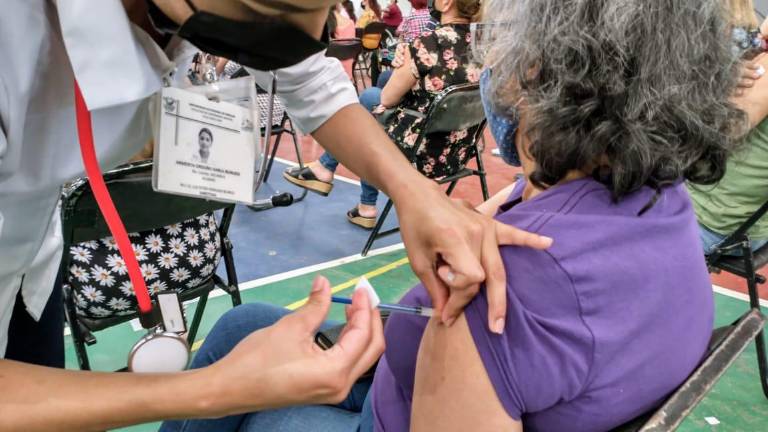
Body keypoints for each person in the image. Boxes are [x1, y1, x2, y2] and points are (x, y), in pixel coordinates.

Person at [0, 0, 549, 429]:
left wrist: (414, 192)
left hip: (33, 263)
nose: (304, 28)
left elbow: (308, 77)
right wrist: (216, 390)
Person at [285, 0, 483, 228]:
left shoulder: (430, 42)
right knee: (374, 102)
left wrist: (406, 62)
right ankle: (348, 192)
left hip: (419, 152)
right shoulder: (482, 45)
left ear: (447, 3)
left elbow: (387, 98)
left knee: (370, 100)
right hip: (458, 153)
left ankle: (347, 188)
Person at [688, 1, 768, 255]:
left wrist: (711, 82)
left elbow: (714, 133)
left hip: (713, 222)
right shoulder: (757, 51)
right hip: (749, 222)